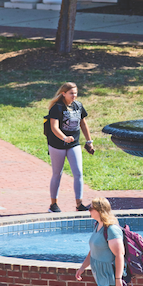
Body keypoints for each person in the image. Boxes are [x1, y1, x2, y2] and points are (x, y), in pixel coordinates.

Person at [45, 82, 93, 213]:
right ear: (63, 93)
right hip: (57, 145)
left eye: (76, 93)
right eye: (71, 93)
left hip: (74, 144)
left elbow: (83, 124)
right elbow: (54, 127)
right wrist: (64, 137)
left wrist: (89, 141)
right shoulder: (57, 107)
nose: (74, 95)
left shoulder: (78, 106)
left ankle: (79, 204)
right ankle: (53, 204)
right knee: (57, 174)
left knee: (78, 173)